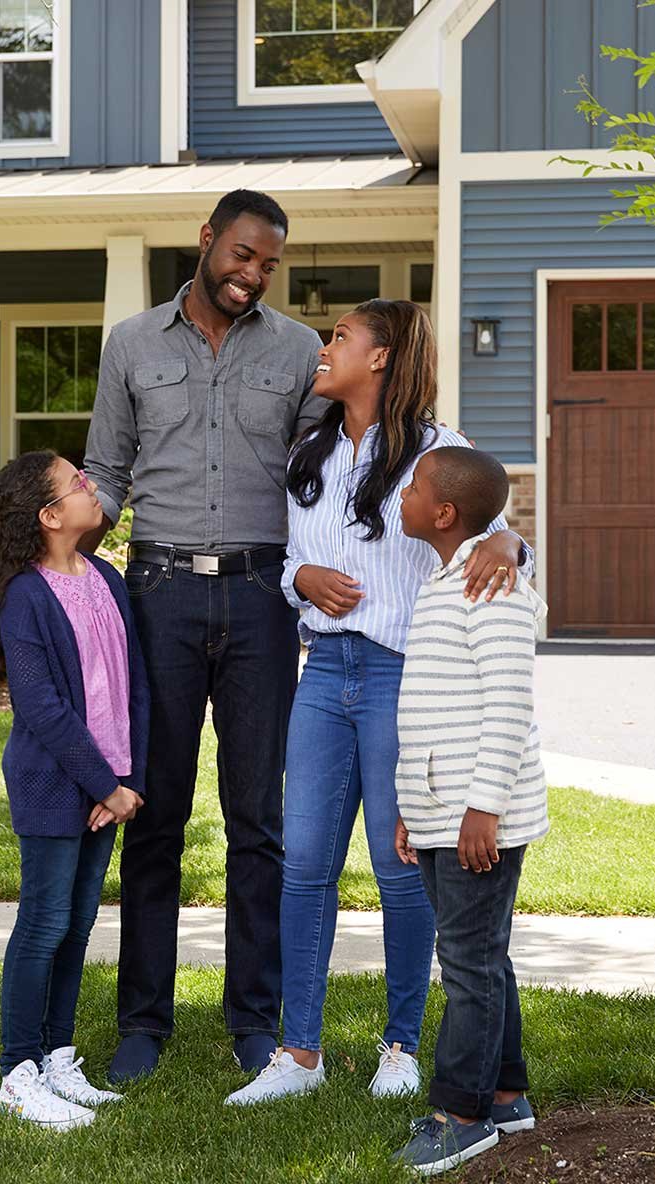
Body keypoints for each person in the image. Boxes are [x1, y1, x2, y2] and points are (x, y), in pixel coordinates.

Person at [225, 300, 532, 1108]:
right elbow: (291, 556)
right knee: (304, 863)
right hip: (324, 675)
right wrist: (302, 581)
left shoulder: (440, 452)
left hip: (405, 679)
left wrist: (513, 540)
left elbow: (489, 530)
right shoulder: (312, 452)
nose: (324, 351)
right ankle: (299, 1054)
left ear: (385, 357)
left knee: (402, 868)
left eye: (340, 339)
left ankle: (400, 1045)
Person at [83, 189, 326, 1082]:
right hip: (160, 594)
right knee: (154, 816)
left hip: (265, 596)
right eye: (242, 255)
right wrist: (65, 550)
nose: (252, 275)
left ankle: (253, 1022)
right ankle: (143, 1024)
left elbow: (335, 476)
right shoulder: (132, 345)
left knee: (258, 820)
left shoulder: (301, 351)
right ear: (207, 241)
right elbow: (107, 469)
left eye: (268, 265)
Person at [0, 450, 150, 1130]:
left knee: (76, 924)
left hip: (109, 788)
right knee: (42, 925)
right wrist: (105, 782)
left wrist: (127, 780)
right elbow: (42, 710)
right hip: (54, 784)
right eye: (77, 483)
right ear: (48, 516)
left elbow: (134, 689)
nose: (90, 487)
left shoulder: (105, 576)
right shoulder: (26, 597)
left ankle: (58, 1056)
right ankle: (18, 1071)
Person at [390, 445, 548, 1175]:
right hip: (440, 812)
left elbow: (509, 702)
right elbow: (435, 710)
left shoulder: (494, 583)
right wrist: (410, 810)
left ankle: (462, 1112)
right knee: (482, 957)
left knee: (466, 966)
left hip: (476, 819)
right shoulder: (448, 575)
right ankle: (508, 1094)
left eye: (415, 487)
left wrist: (482, 807)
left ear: (444, 513)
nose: (405, 494)